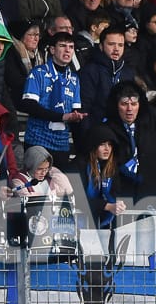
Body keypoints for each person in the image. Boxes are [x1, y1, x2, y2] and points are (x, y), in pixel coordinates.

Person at [20, 30, 83, 167]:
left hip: (61, 144)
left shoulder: (74, 79)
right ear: (52, 49)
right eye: (62, 46)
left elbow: (76, 109)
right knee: (37, 186)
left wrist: (77, 116)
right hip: (37, 140)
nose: (67, 50)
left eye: (71, 47)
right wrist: (62, 117)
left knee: (59, 187)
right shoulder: (38, 73)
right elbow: (29, 105)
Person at [80, 123, 124, 227]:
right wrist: (107, 206)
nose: (107, 149)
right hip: (79, 222)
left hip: (102, 223)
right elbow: (77, 199)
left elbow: (115, 194)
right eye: (102, 144)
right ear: (93, 146)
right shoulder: (80, 165)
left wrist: (118, 205)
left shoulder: (112, 167)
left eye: (109, 144)